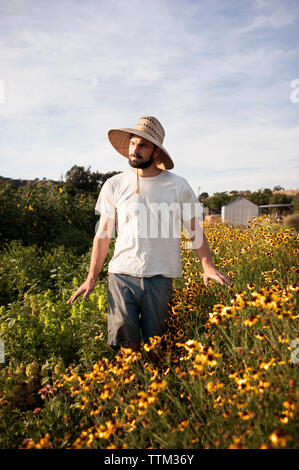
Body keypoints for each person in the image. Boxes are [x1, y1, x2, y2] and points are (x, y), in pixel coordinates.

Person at [67, 116, 232, 359]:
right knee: (127, 345)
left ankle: (156, 391)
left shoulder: (177, 185)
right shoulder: (114, 184)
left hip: (160, 275)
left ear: (156, 152)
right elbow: (102, 235)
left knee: (155, 347)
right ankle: (129, 391)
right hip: (121, 275)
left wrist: (207, 265)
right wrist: (91, 277)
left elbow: (194, 229)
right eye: (133, 143)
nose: (135, 150)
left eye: (143, 145)